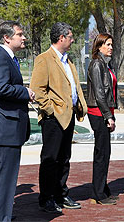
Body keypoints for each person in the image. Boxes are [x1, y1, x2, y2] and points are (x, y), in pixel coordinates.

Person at [0, 21, 35, 221]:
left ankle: (0, 216)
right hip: (4, 128)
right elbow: (1, 89)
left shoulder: (4, 57)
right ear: (7, 38)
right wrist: (25, 92)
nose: (24, 37)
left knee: (4, 178)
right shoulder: (0, 57)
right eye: (20, 34)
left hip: (6, 127)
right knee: (4, 179)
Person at [30, 22, 87, 213]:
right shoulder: (44, 59)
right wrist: (51, 110)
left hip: (68, 116)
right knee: (50, 159)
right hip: (53, 118)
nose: (72, 40)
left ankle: (60, 194)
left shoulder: (68, 61)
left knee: (64, 158)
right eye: (70, 37)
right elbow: (38, 89)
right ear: (61, 38)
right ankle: (46, 198)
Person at [87, 33, 118, 205]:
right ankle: (98, 194)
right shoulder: (97, 64)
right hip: (99, 114)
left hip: (106, 113)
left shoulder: (106, 65)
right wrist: (108, 116)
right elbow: (99, 93)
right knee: (101, 154)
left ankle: (103, 190)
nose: (110, 47)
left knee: (105, 153)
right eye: (107, 44)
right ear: (99, 46)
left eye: (112, 44)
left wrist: (110, 114)